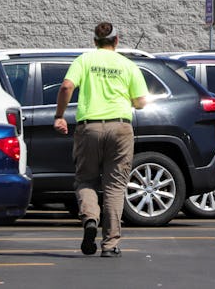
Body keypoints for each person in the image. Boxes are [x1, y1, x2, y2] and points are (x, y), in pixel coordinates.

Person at [53, 22, 148, 258]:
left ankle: (90, 220)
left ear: (94, 41)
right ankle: (110, 244)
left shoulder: (84, 60)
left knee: (86, 180)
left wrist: (59, 116)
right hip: (120, 127)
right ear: (116, 41)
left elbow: (66, 86)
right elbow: (141, 102)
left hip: (89, 127)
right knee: (115, 186)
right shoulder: (127, 65)